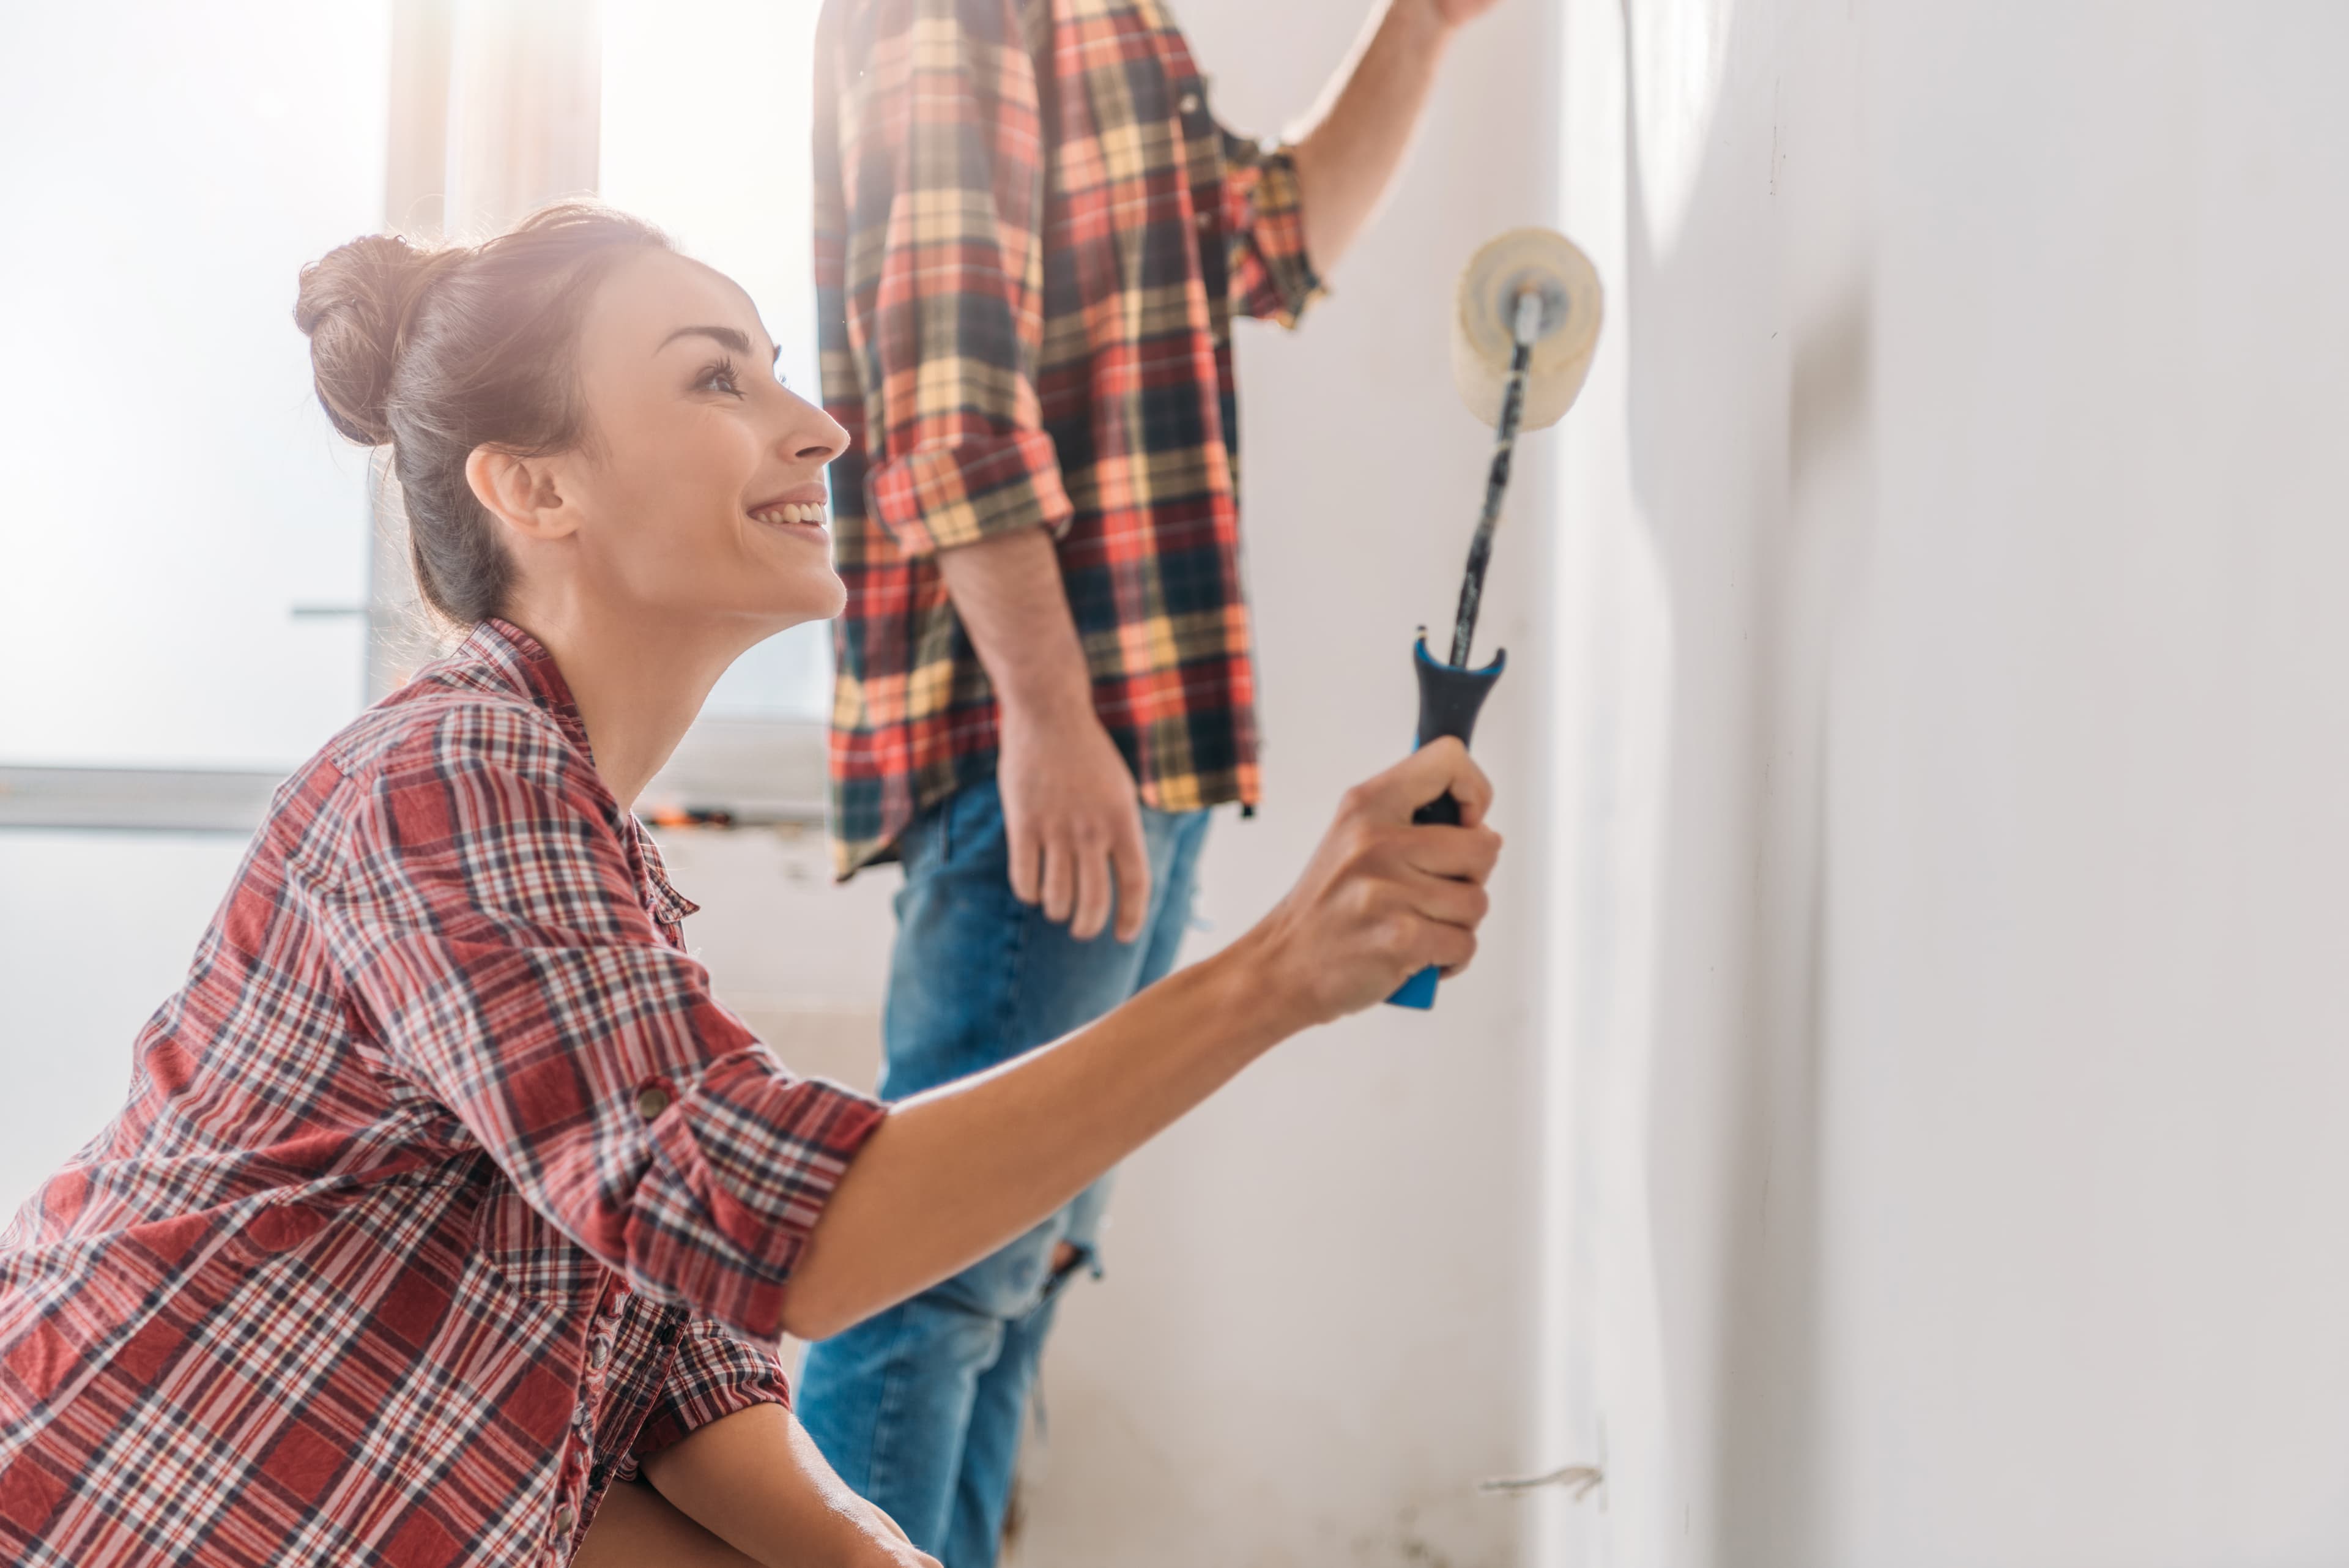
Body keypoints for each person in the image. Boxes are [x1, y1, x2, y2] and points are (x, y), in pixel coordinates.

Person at [0, 204, 1499, 1568]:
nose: (827, 429)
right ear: (533, 487)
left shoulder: (581, 841)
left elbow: (673, 1364)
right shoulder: (447, 772)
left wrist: (872, 1558)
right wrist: (1279, 973)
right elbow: (796, 1239)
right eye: (721, 379)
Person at [798, 0, 1506, 1555]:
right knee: (932, 1277)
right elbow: (946, 400)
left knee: (1016, 1265)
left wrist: (1424, 29)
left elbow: (1273, 241)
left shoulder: (1108, 24)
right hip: (1043, 747)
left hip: (1139, 742)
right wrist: (1051, 719)